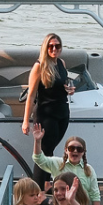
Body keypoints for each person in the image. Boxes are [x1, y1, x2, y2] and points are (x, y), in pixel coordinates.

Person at [21, 33, 76, 182]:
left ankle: (45, 185)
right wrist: (25, 121)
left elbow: (62, 86)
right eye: (50, 46)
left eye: (57, 46)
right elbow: (31, 95)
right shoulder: (39, 66)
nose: (54, 49)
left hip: (62, 113)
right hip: (46, 115)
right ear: (45, 48)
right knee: (44, 152)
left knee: (50, 151)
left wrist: (69, 90)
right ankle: (38, 188)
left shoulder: (61, 63)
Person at [31, 135, 102, 205]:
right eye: (71, 148)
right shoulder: (57, 163)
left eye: (79, 149)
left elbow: (95, 195)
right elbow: (39, 159)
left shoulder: (89, 169)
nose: (75, 151)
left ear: (83, 152)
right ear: (66, 150)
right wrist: (37, 141)